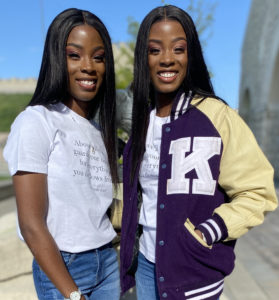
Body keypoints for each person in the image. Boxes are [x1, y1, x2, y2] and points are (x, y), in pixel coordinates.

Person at [120, 5, 278, 300]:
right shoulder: (142, 120)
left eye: (178, 49)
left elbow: (259, 191)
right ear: (144, 57)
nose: (167, 59)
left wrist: (207, 232)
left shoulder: (217, 117)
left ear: (190, 54)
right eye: (155, 50)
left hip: (194, 275)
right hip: (144, 269)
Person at [4, 8, 121, 300]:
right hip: (64, 267)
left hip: (107, 262)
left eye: (98, 57)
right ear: (57, 57)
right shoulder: (36, 121)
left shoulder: (97, 130)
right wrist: (72, 293)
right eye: (74, 55)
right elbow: (31, 225)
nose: (88, 66)